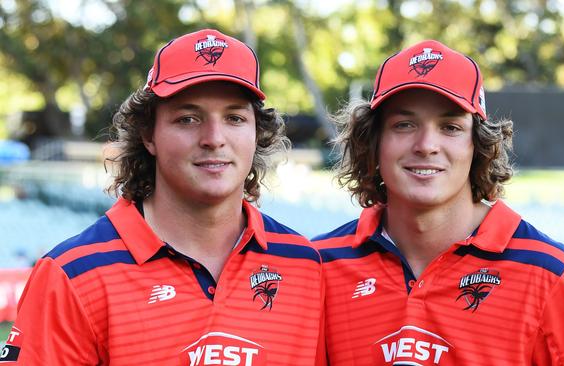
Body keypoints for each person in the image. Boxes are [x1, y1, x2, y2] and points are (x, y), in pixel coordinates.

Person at [1, 29, 325, 365]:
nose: (214, 138)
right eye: (188, 119)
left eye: (234, 118)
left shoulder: (303, 263)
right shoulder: (74, 274)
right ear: (148, 135)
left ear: (257, 132)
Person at [313, 40, 564, 365]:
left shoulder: (549, 273)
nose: (427, 145)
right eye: (404, 125)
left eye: (451, 127)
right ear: (373, 143)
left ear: (478, 145)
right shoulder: (318, 267)